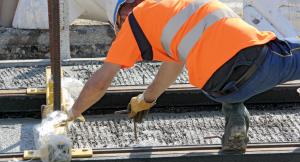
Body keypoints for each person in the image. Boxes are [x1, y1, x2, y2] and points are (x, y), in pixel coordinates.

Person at [66, 0, 300, 153]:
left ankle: (236, 125)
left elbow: (104, 79)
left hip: (218, 88)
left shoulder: (141, 27)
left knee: (215, 58)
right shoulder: (172, 8)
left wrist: (146, 99)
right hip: (255, 59)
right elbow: (101, 82)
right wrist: (74, 112)